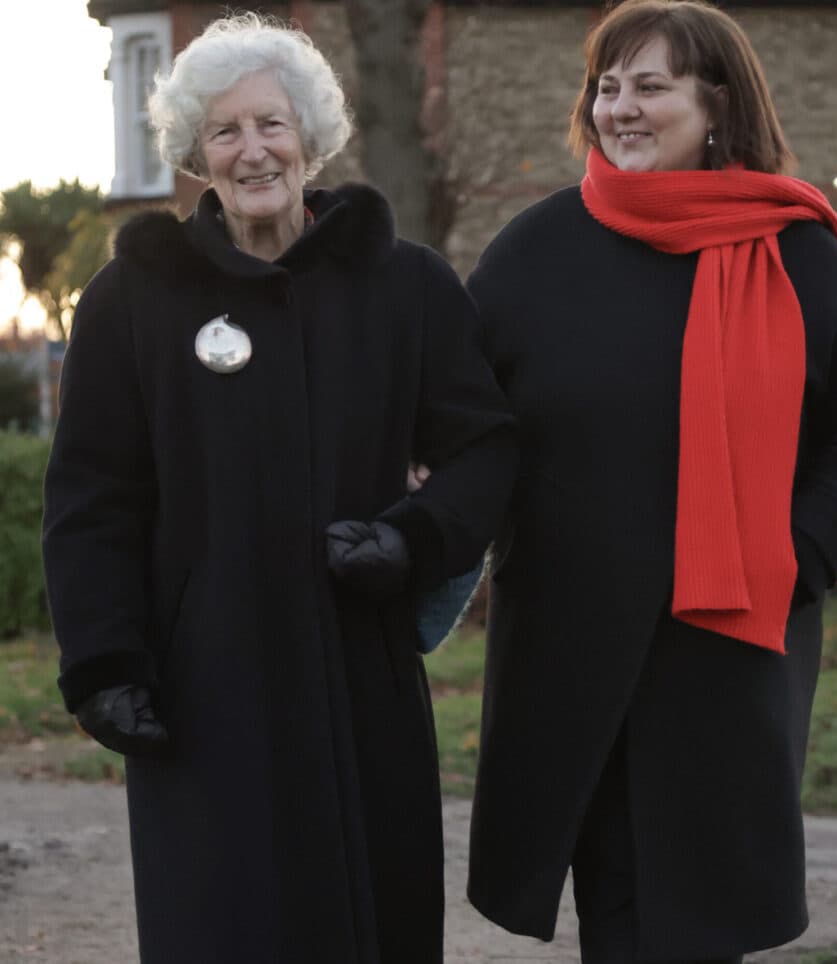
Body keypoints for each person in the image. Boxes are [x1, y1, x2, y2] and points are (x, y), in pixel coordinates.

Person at [41, 14, 515, 964]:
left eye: (272, 124)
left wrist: (414, 541)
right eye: (225, 131)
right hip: (200, 690)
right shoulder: (131, 301)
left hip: (360, 675)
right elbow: (93, 499)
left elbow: (485, 451)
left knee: (372, 926)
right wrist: (105, 663)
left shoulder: (405, 286)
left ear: (310, 135)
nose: (253, 150)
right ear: (194, 155)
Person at [463, 2, 837, 962]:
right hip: (571, 651)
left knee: (705, 920)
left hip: (726, 651)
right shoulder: (534, 252)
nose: (619, 107)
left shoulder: (795, 251)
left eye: (650, 86)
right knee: (615, 917)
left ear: (717, 104)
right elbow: (458, 422)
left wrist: (794, 557)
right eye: (607, 86)